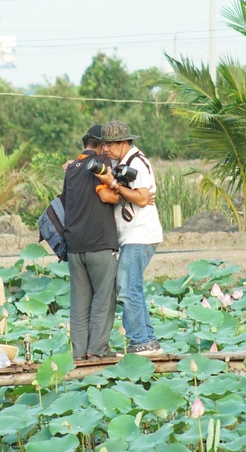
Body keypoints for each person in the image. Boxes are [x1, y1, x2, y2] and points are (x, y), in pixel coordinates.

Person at [95, 120, 164, 356]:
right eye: (105, 145)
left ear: (124, 142)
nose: (107, 149)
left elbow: (143, 198)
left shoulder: (137, 163)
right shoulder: (122, 162)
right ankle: (148, 339)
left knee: (126, 287)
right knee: (133, 287)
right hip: (133, 235)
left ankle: (139, 341)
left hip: (140, 234)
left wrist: (114, 184)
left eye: (111, 144)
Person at [62, 125, 120, 360]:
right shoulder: (100, 165)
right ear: (101, 145)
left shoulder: (70, 169)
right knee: (104, 298)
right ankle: (97, 350)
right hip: (99, 243)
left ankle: (78, 354)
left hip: (75, 247)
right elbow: (108, 196)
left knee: (79, 303)